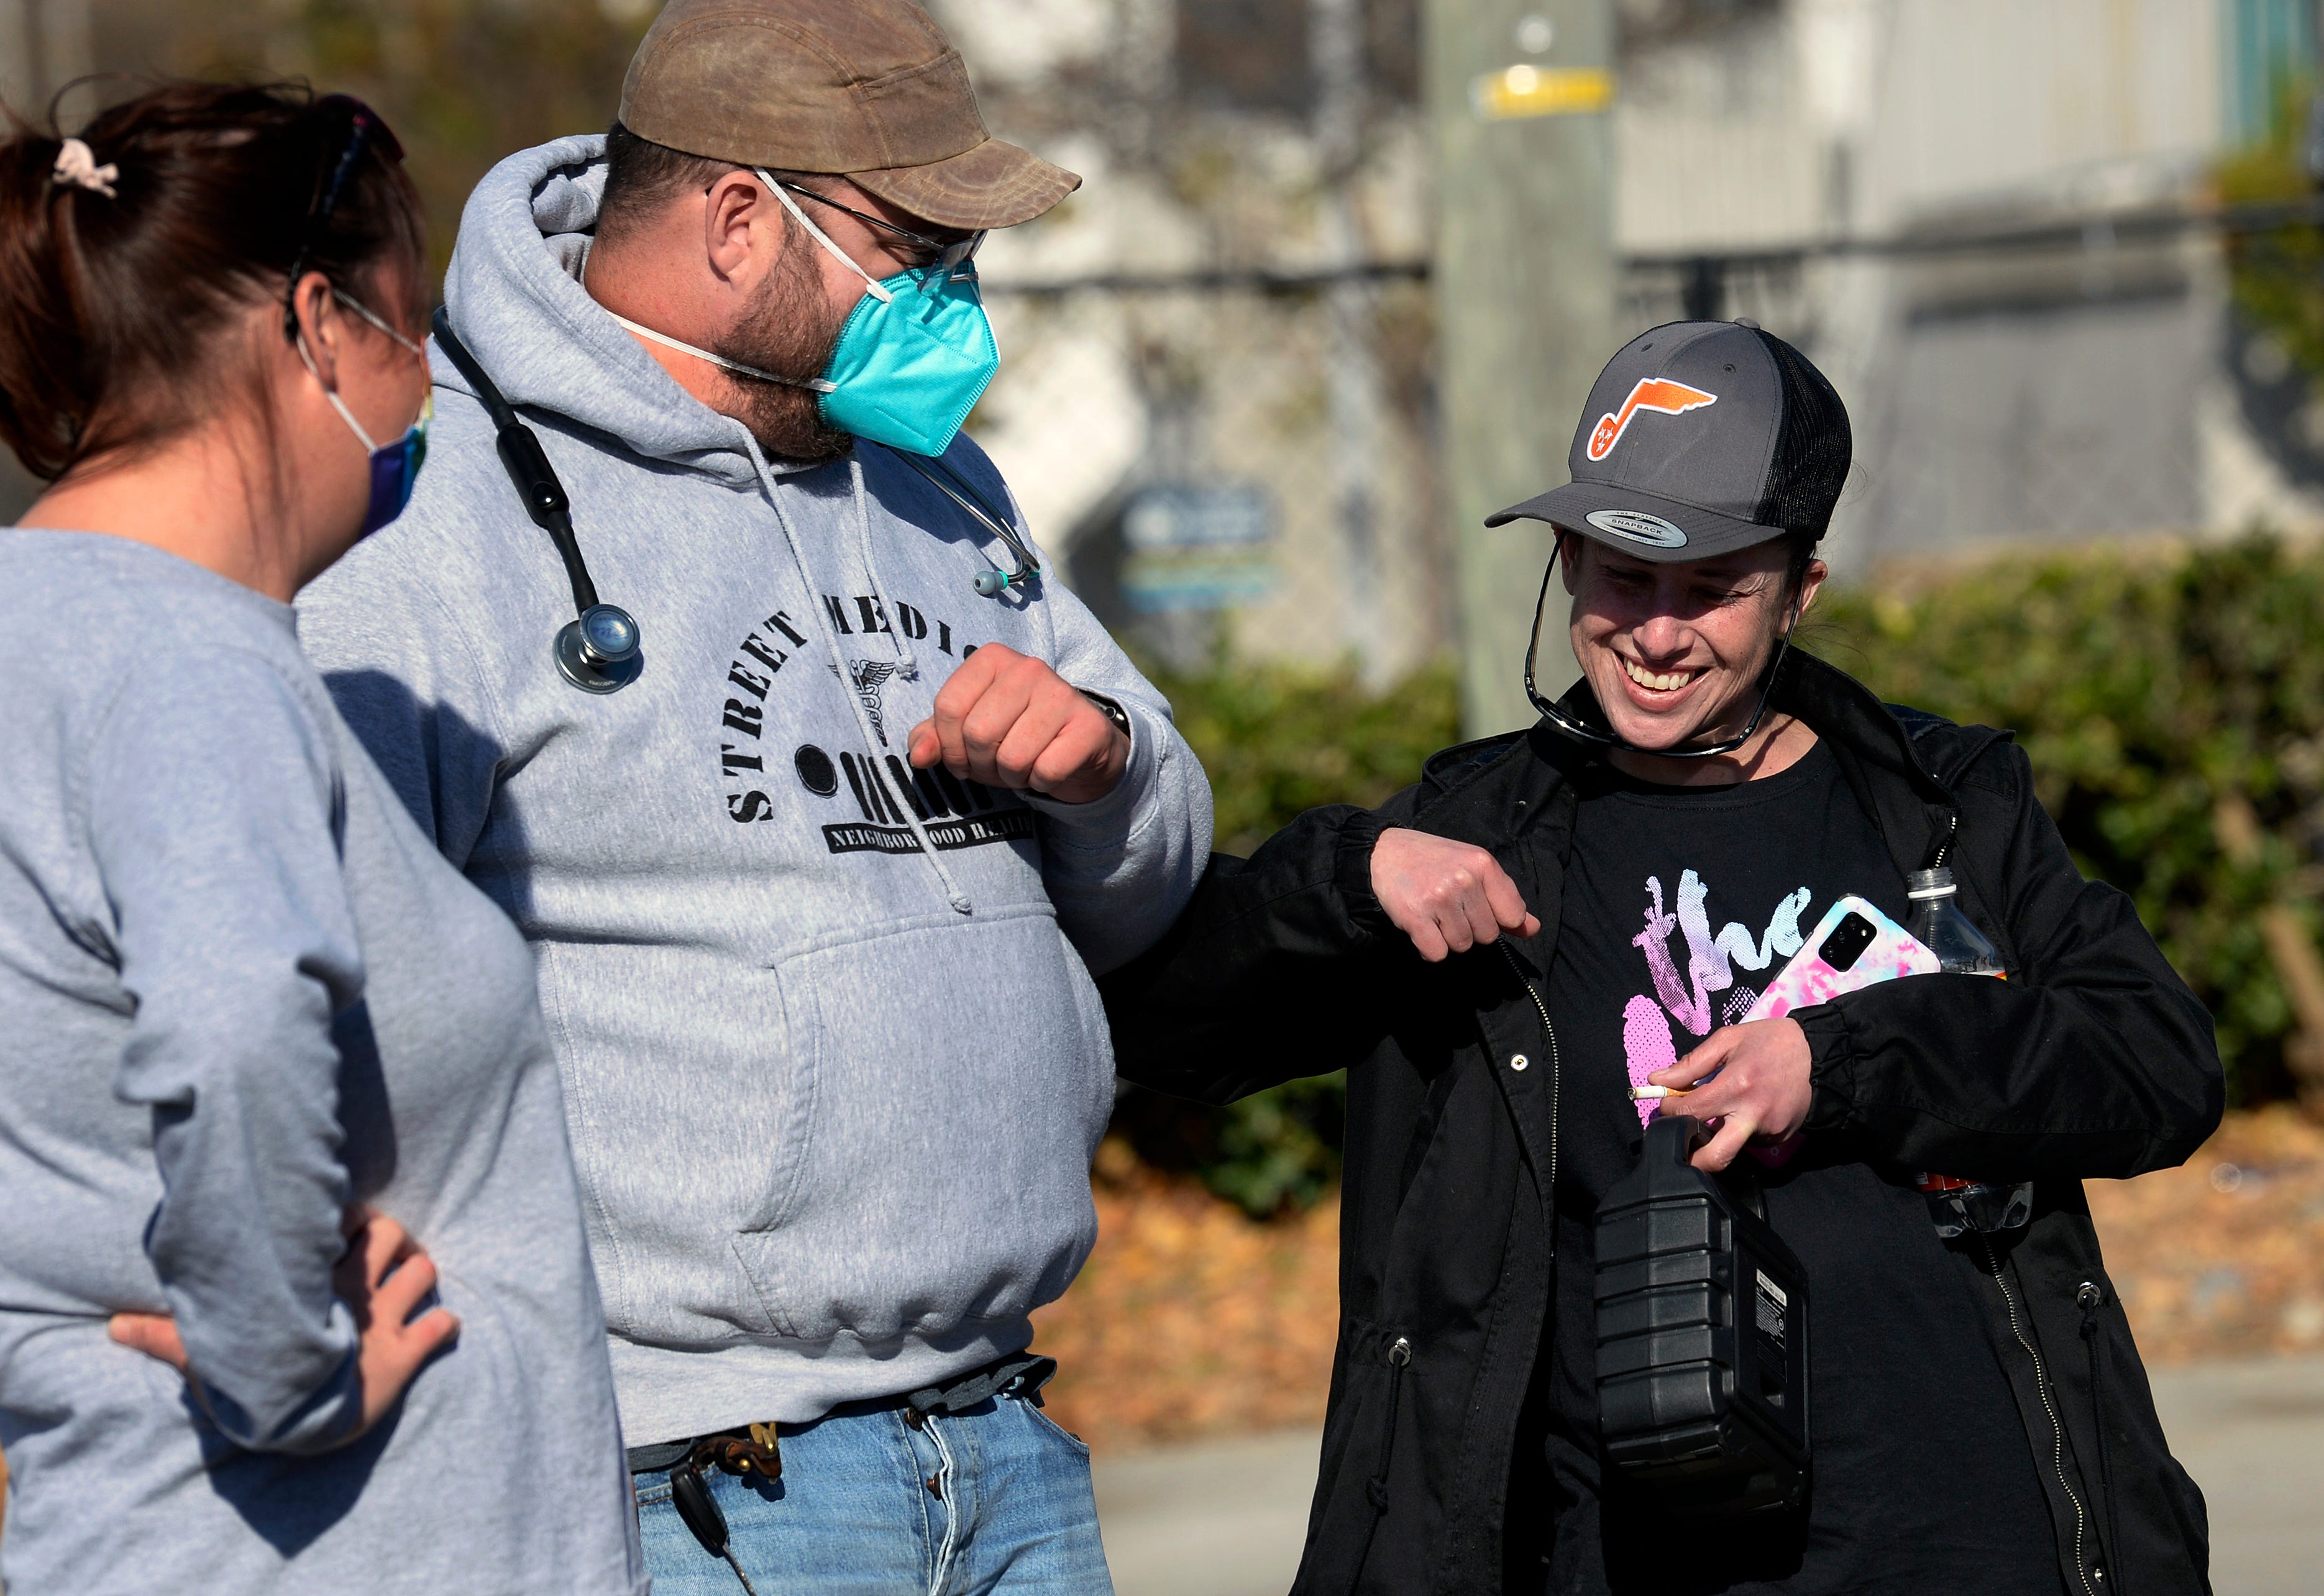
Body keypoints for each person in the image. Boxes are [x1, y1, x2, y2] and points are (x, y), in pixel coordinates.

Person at [294, 1, 1212, 1588]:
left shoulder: (938, 482)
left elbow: (1156, 874)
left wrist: (1106, 768)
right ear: (736, 219)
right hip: (699, 1489)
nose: (952, 297)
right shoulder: (438, 521)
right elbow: (317, 976)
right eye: (913, 249)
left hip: (1006, 1435)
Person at [1100, 321, 2221, 1595]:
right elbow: (1170, 1024)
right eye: (1623, 575)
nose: (1657, 631)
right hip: (1625, 1551)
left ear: (1800, 589)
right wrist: (1350, 875)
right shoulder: (1480, 838)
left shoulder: (1947, 807)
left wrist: (1836, 1059)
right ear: (1568, 559)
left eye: (1713, 586)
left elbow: (2155, 1063)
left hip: (1972, 1536)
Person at [0, 83, 643, 1594]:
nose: (424, 385)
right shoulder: (187, 661)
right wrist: (282, 1369)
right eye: (408, 332)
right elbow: (232, 1029)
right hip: (336, 1543)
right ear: (314, 326)